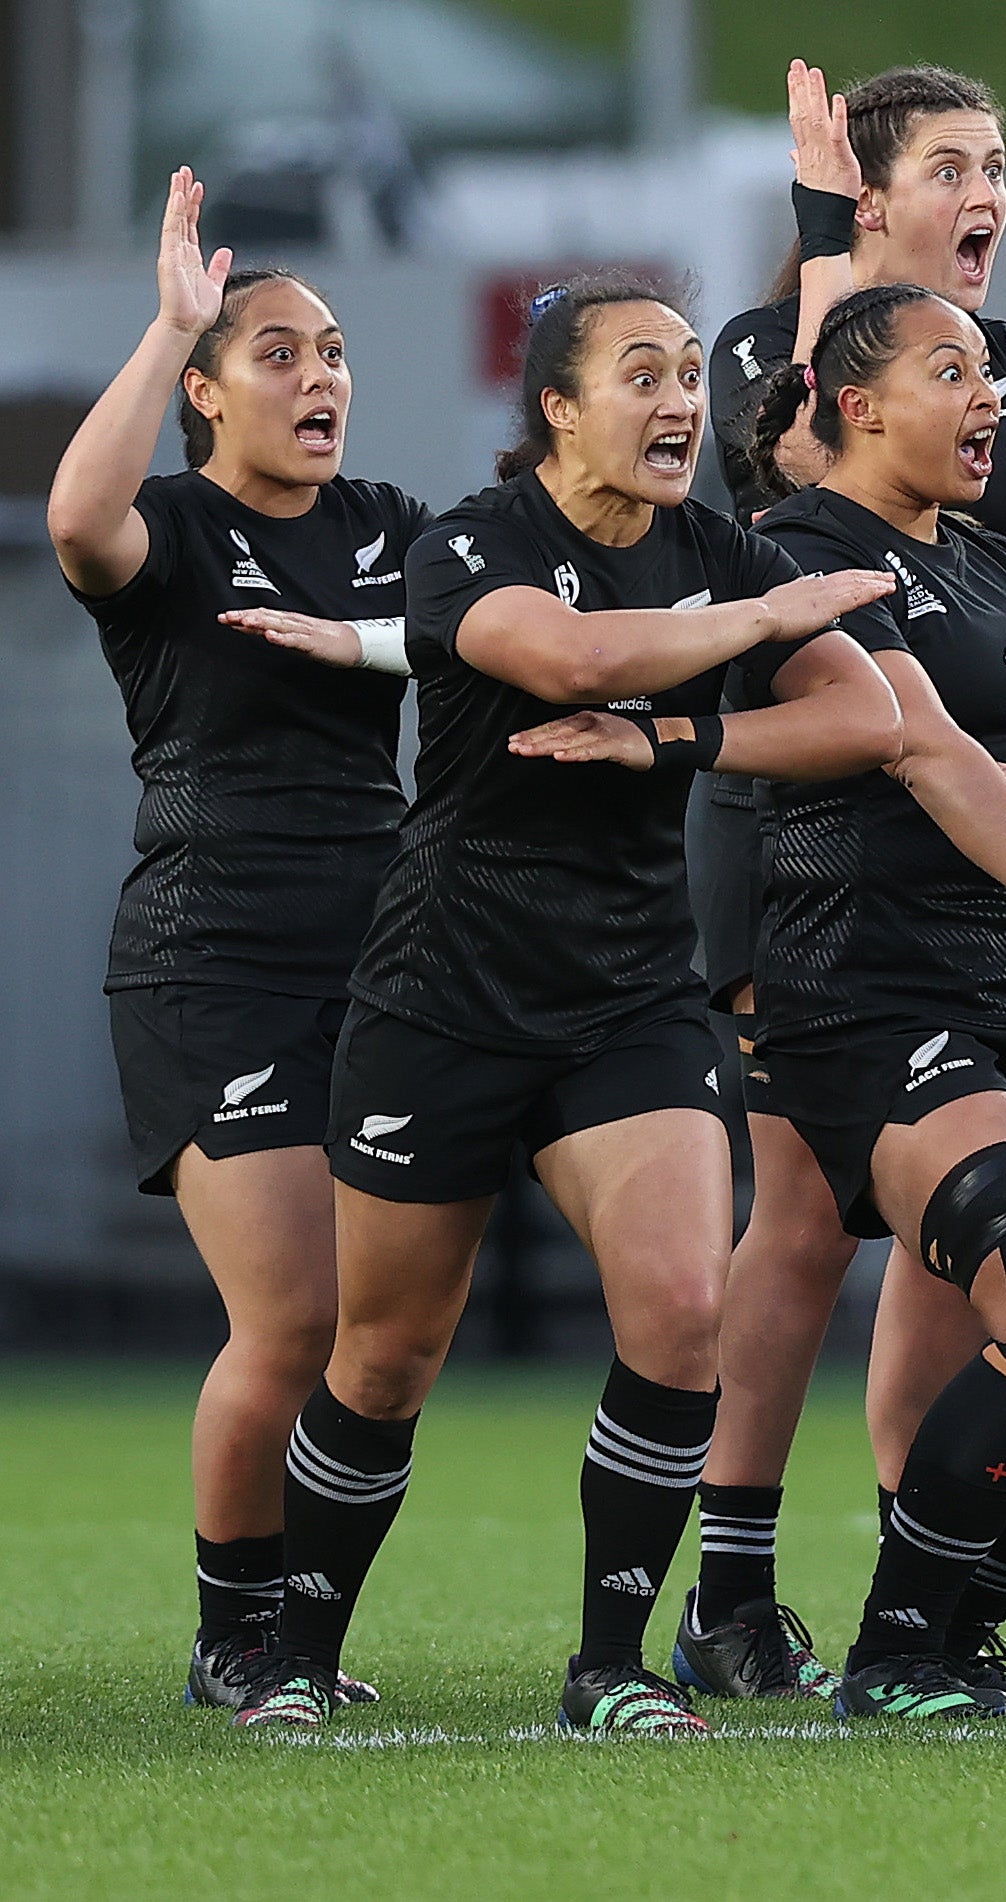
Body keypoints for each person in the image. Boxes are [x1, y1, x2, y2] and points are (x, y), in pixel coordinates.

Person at [229, 273, 907, 1733]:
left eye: (684, 374)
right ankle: (298, 1647)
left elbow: (870, 713)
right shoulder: (469, 542)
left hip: (628, 998)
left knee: (679, 1309)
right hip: (444, 993)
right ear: (555, 409)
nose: (677, 403)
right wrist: (768, 609)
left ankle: (610, 1665)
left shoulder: (711, 547)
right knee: (387, 1350)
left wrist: (680, 734)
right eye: (640, 375)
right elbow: (567, 657)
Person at [684, 59, 1006, 1691]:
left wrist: (974, 533)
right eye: (951, 165)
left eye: (1001, 164)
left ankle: (923, 1566)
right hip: (803, 829)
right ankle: (735, 1583)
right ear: (864, 200)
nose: (988, 196)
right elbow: (801, 508)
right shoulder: (774, 343)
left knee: (957, 1221)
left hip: (979, 841)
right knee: (808, 1211)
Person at [48, 169, 421, 1713]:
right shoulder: (176, 531)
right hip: (214, 956)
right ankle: (235, 1637)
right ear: (203, 393)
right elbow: (78, 519)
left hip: (386, 956)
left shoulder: (390, 528)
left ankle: (298, 1630)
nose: (320, 374)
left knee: (380, 1331)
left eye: (332, 350)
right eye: (277, 352)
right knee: (293, 1318)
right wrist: (169, 322)